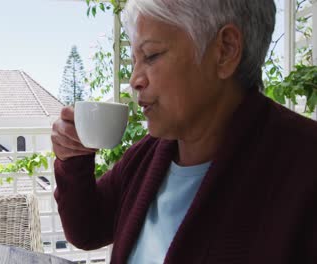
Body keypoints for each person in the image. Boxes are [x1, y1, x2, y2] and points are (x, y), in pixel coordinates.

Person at [51, 0, 317, 263]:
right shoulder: (147, 156)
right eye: (134, 61)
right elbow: (87, 229)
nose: (134, 80)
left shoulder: (304, 166)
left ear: (225, 50)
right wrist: (73, 157)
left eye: (151, 56)